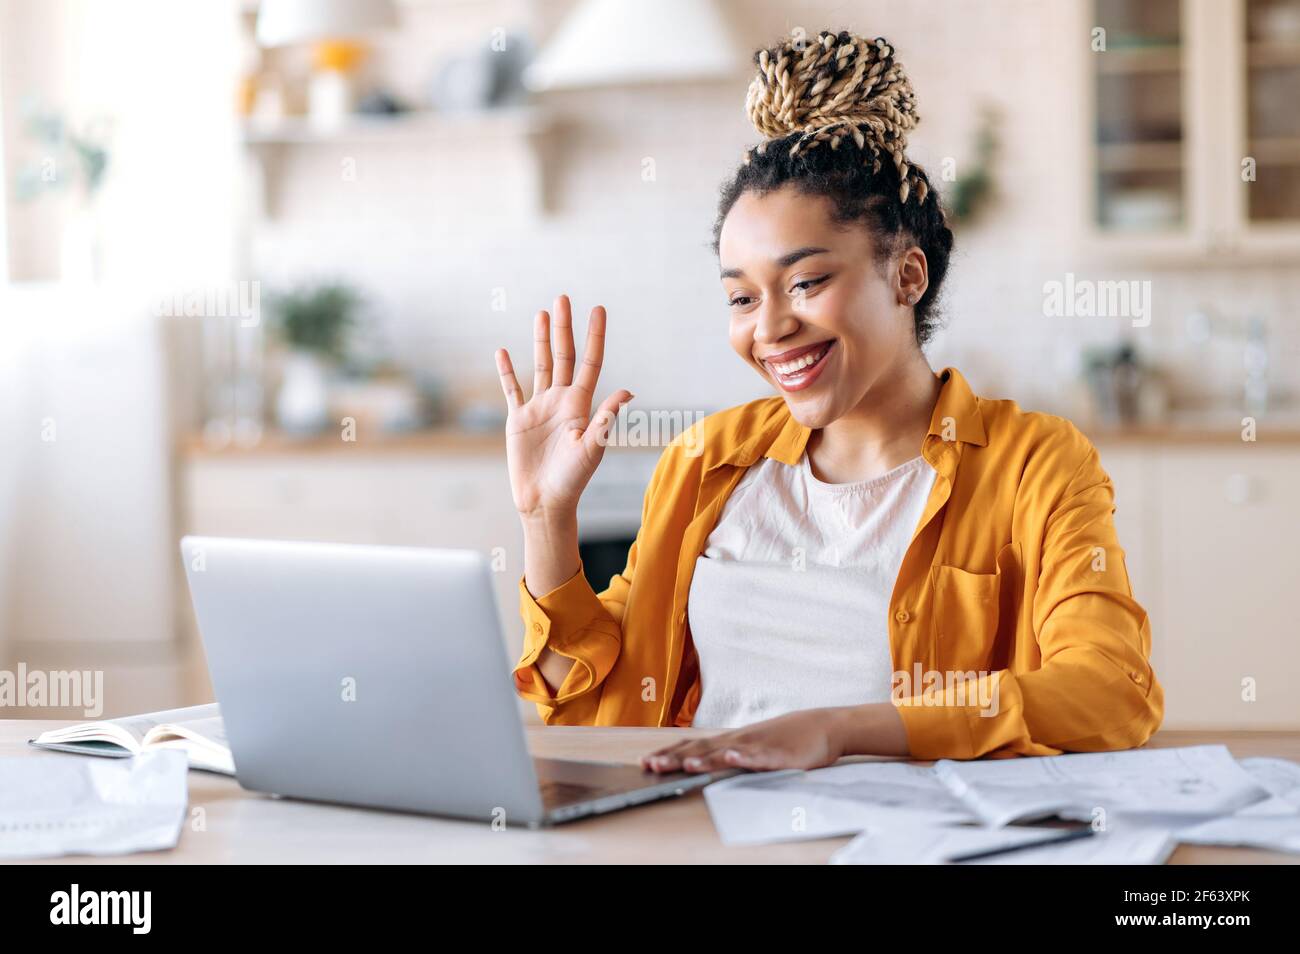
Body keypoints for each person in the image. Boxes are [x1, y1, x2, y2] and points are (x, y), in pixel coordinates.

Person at [492, 29, 1162, 774]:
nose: (771, 328)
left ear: (907, 277)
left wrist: (841, 729)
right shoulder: (707, 459)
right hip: (696, 829)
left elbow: (1110, 691)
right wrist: (546, 522)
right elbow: (593, 708)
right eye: (742, 297)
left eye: (806, 282)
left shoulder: (1034, 464)